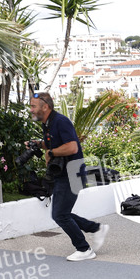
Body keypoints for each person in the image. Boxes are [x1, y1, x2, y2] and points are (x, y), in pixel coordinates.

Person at [28, 91, 108, 261]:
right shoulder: (47, 124)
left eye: (33, 106)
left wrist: (51, 152)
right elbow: (52, 143)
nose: (31, 110)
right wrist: (38, 145)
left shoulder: (60, 121)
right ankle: (96, 228)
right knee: (61, 213)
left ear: (45, 106)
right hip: (63, 173)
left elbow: (72, 147)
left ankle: (84, 249)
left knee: (60, 215)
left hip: (73, 172)